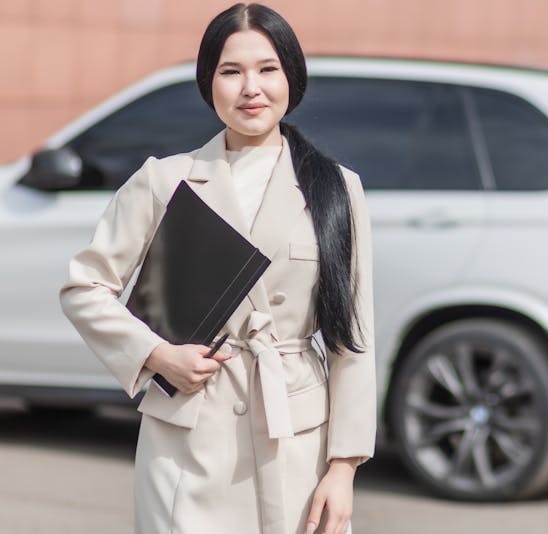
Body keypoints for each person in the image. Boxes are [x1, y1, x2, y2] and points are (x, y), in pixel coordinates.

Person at [58, 3, 375, 533]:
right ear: (209, 85)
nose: (251, 87)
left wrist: (342, 470)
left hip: (296, 441)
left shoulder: (337, 188)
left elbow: (353, 340)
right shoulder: (164, 181)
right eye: (231, 71)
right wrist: (157, 355)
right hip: (186, 441)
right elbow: (83, 287)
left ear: (291, 77)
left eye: (267, 69)